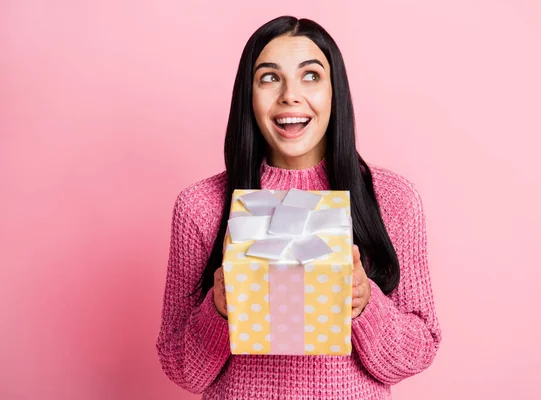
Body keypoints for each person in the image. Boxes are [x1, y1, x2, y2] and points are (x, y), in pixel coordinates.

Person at [155, 15, 442, 400]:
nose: (290, 95)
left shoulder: (392, 200)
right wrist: (219, 310)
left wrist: (364, 304)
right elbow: (181, 370)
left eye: (310, 76)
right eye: (270, 77)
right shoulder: (201, 208)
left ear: (334, 92)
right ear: (249, 96)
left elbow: (419, 351)